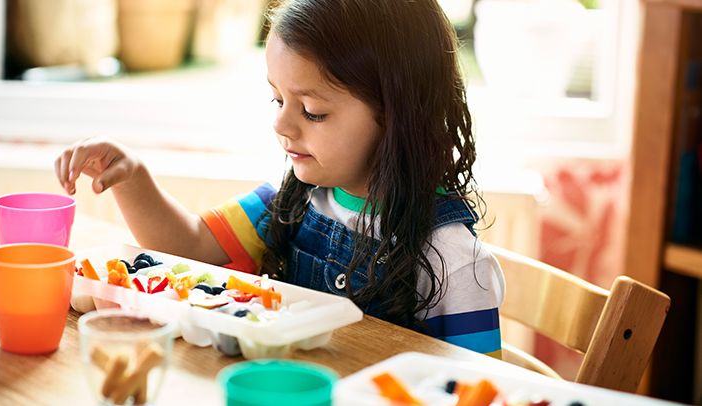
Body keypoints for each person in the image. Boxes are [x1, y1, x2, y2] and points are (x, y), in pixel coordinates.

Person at [55, 0, 505, 359]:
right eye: (277, 100)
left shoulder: (452, 260)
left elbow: (480, 388)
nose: (282, 125)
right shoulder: (291, 203)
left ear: (397, 115)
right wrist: (131, 178)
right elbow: (187, 246)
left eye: (312, 111)